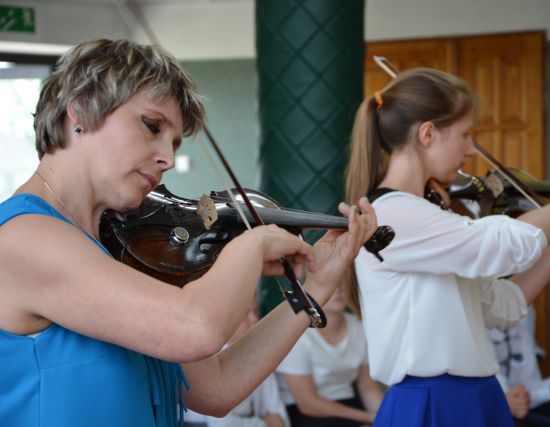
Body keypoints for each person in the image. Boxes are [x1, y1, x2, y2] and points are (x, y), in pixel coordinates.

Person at [0, 39, 378, 427]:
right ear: (81, 109)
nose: (167, 158)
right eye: (152, 126)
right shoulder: (25, 237)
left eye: (175, 144)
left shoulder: (116, 248)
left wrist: (317, 285)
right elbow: (194, 329)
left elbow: (217, 388)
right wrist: (252, 244)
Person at [343, 67, 550, 426]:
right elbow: (504, 244)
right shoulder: (393, 214)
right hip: (433, 402)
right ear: (427, 134)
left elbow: (505, 305)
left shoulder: (429, 217)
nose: (470, 149)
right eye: (465, 134)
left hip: (474, 395)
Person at [276, 285, 385, 427]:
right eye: (330, 284)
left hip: (351, 405)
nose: (338, 290)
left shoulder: (358, 326)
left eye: (341, 283)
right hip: (309, 415)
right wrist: (368, 418)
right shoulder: (297, 334)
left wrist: (384, 417)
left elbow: (367, 387)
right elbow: (307, 404)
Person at [184, 295, 290, 427]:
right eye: (244, 314)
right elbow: (222, 424)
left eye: (256, 311)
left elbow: (277, 411)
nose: (254, 319)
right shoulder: (204, 358)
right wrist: (266, 424)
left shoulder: (257, 351)